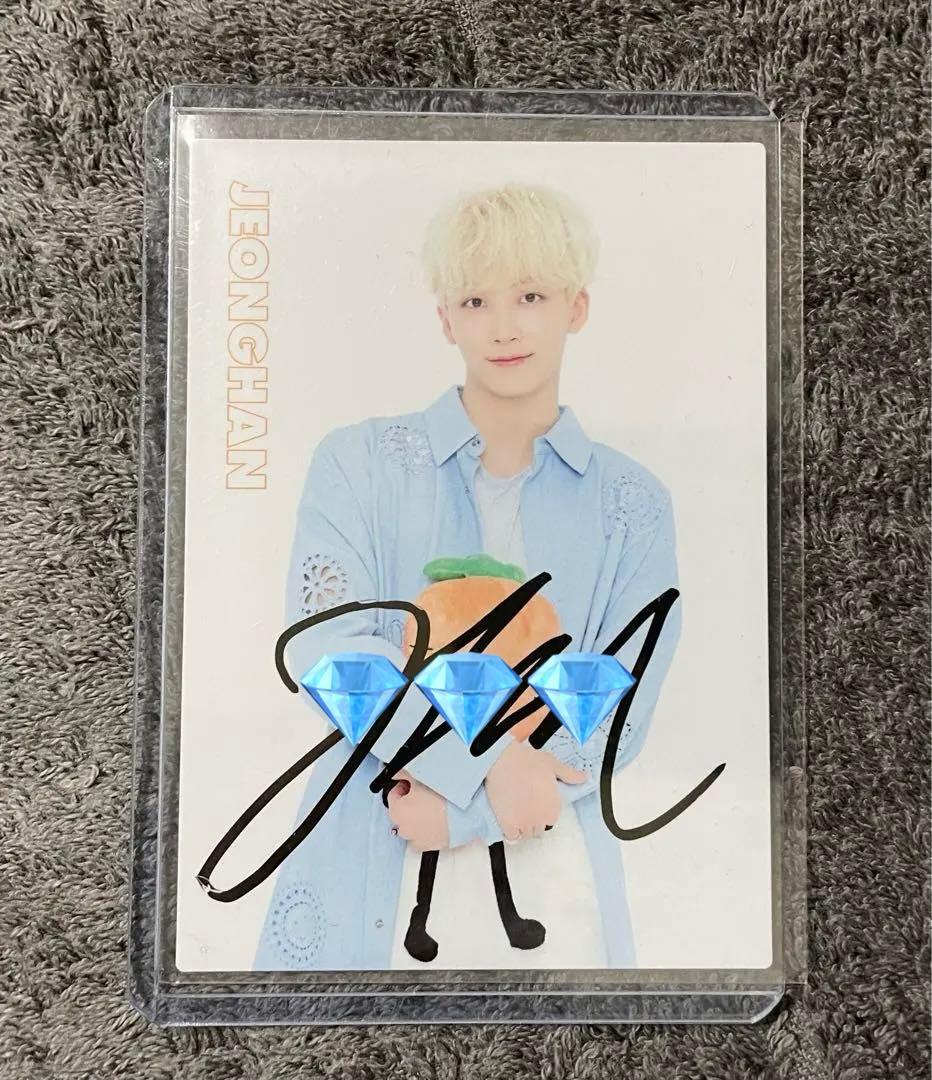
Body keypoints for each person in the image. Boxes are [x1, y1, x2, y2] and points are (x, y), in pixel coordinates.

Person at [253, 182, 681, 970]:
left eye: (531, 295)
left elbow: (619, 687)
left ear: (577, 307)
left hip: (552, 868)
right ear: (445, 318)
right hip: (371, 835)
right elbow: (331, 650)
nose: (504, 326)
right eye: (476, 300)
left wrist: (466, 813)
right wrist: (481, 763)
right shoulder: (358, 464)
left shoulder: (632, 503)